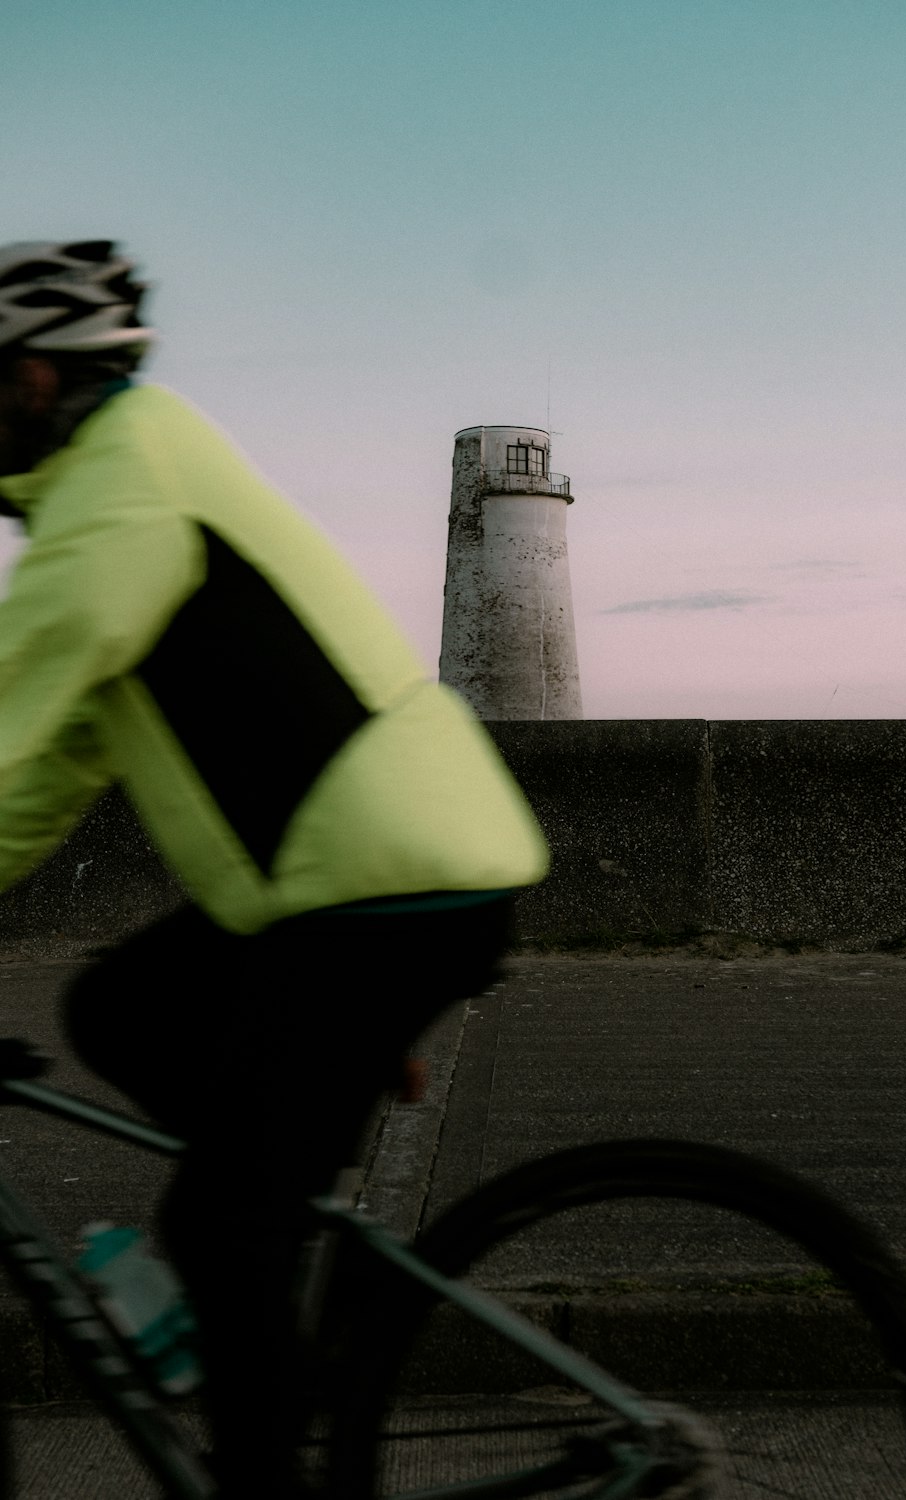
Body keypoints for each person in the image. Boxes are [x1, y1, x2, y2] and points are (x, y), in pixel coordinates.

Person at [0, 240, 549, 1496]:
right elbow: (43, 766)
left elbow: (19, 690)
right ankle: (309, 1190)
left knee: (216, 1225)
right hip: (345, 887)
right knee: (116, 1008)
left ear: (34, 377)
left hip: (389, 883)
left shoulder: (117, 491)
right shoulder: (115, 481)